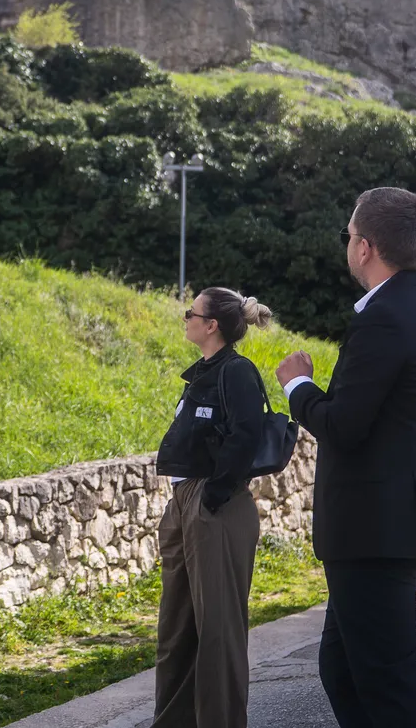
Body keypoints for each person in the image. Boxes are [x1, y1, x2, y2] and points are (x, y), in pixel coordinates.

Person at [276, 188, 416, 728]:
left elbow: (343, 427)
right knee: (342, 668)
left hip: (375, 534)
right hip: (408, 525)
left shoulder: (383, 319)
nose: (348, 245)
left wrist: (298, 385)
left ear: (365, 246)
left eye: (349, 235)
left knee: (385, 687)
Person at [152, 287, 275, 728]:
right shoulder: (204, 373)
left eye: (192, 312)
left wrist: (213, 495)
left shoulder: (237, 372)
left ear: (212, 325)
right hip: (185, 504)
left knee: (218, 633)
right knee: (176, 633)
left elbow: (246, 435)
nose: (185, 318)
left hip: (214, 507)